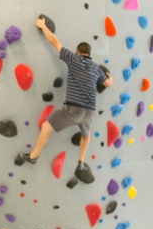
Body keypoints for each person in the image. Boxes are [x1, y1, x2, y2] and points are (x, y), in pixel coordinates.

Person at [15, 16, 113, 184]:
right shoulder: (96, 68)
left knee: (46, 127)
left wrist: (42, 26)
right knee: (86, 135)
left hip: (73, 109)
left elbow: (54, 41)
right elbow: (108, 83)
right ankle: (81, 163)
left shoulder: (74, 59)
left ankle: (33, 156)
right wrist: (109, 74)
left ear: (78, 51)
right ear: (89, 54)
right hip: (90, 111)